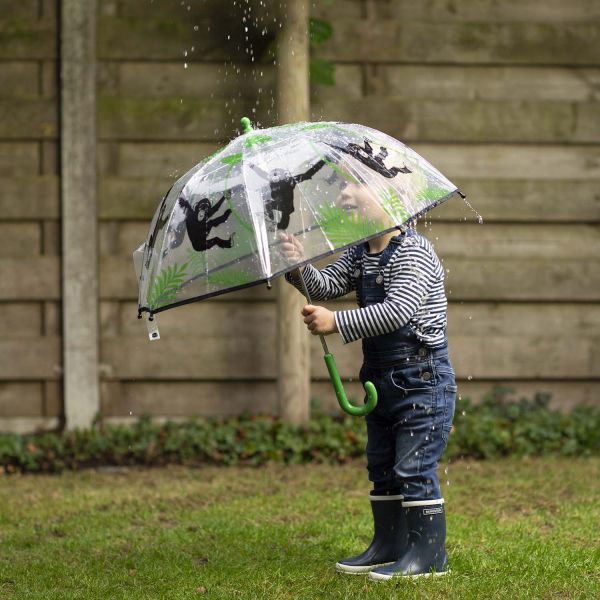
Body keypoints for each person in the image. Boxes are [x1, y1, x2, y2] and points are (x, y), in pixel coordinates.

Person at [281, 179, 457, 581]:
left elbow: (397, 311)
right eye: (341, 185)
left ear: (393, 199)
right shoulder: (360, 253)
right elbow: (325, 286)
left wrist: (335, 321)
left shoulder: (414, 251)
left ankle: (429, 554)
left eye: (355, 185)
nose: (342, 194)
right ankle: (390, 545)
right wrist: (298, 268)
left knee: (413, 467)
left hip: (422, 380)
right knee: (382, 465)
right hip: (381, 379)